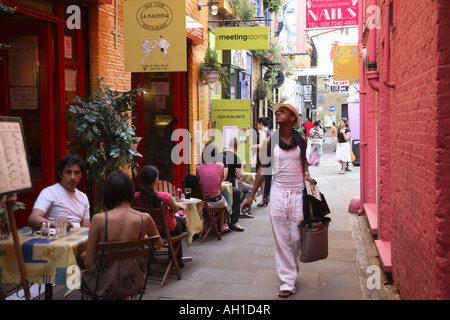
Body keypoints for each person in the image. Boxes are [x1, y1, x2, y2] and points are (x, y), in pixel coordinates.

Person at [242, 101, 315, 298]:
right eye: (278, 111)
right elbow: (263, 170)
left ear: (293, 118)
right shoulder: (270, 141)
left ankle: (290, 271)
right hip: (278, 193)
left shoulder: (302, 140)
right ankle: (287, 282)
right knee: (282, 239)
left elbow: (304, 163)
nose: (278, 113)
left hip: (298, 193)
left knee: (296, 238)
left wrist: (307, 174)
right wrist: (250, 196)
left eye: (284, 111)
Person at [80, 170, 162, 298]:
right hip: (134, 281)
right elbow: (158, 245)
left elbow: (89, 263)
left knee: (81, 256)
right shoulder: (144, 218)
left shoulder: (99, 219)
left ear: (108, 193)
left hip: (103, 285)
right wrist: (142, 241)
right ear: (130, 191)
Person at [132, 165, 186, 267]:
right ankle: (176, 260)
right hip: (167, 229)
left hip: (148, 230)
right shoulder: (165, 196)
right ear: (156, 180)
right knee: (181, 223)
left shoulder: (136, 197)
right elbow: (176, 209)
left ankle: (153, 257)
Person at [28, 154, 90, 229]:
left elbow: (86, 228)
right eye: (68, 172)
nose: (73, 177)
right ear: (60, 174)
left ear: (81, 175)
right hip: (56, 237)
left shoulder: (83, 197)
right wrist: (56, 224)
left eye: (77, 173)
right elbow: (33, 219)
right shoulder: (49, 192)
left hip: (77, 238)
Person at [196, 141, 234, 233]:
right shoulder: (220, 166)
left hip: (204, 203)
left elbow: (199, 182)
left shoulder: (198, 168)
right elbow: (219, 184)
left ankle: (209, 224)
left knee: (211, 197)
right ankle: (221, 225)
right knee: (224, 200)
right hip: (216, 202)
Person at [222, 137, 253, 219]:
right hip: (233, 184)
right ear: (237, 147)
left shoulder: (221, 155)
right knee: (251, 189)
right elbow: (239, 176)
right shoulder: (236, 158)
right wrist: (243, 167)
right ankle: (240, 209)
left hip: (222, 184)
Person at [250, 117, 272, 207]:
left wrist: (252, 147)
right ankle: (265, 197)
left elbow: (262, 145)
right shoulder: (269, 132)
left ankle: (263, 199)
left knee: (262, 179)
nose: (257, 126)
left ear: (260, 124)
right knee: (264, 179)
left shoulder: (263, 132)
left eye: (258, 124)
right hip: (267, 157)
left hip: (262, 158)